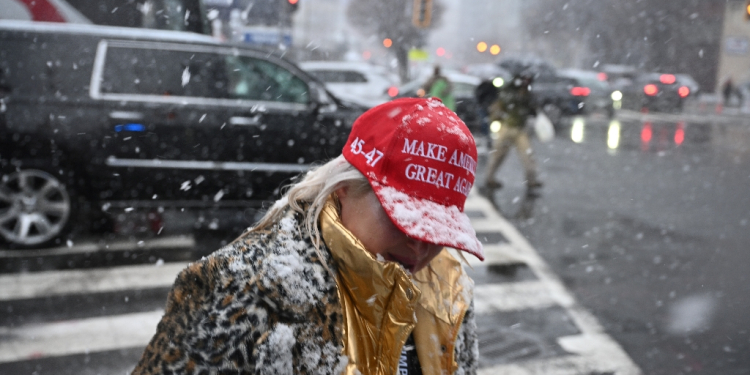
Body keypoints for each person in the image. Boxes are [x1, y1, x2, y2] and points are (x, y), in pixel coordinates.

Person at [132, 97, 484, 375]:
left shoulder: (447, 293)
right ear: (344, 188)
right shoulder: (241, 288)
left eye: (439, 230)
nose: (422, 245)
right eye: (403, 218)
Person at [483, 72, 542, 192]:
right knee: (498, 154)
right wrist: (520, 95)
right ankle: (489, 178)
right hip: (507, 126)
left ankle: (531, 180)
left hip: (520, 128)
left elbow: (531, 108)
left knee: (528, 155)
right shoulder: (510, 90)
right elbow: (506, 101)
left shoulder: (527, 93)